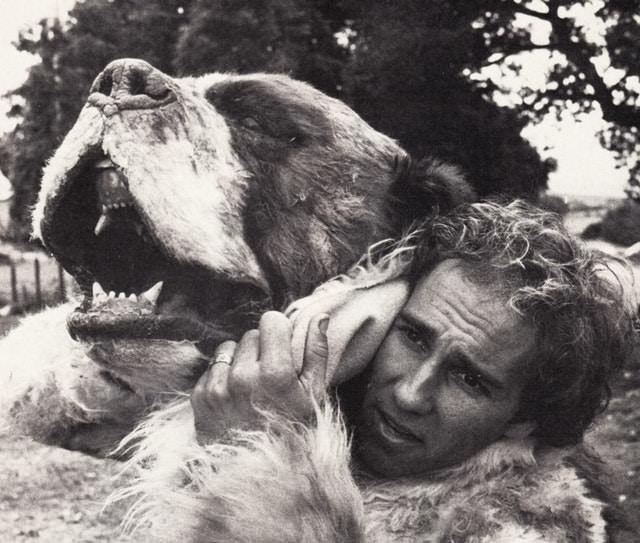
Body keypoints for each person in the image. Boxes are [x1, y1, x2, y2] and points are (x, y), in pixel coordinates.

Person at [122, 200, 635, 542]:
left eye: (470, 379)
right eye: (413, 336)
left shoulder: (527, 525)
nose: (412, 393)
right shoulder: (328, 417)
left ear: (523, 421)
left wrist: (258, 465)